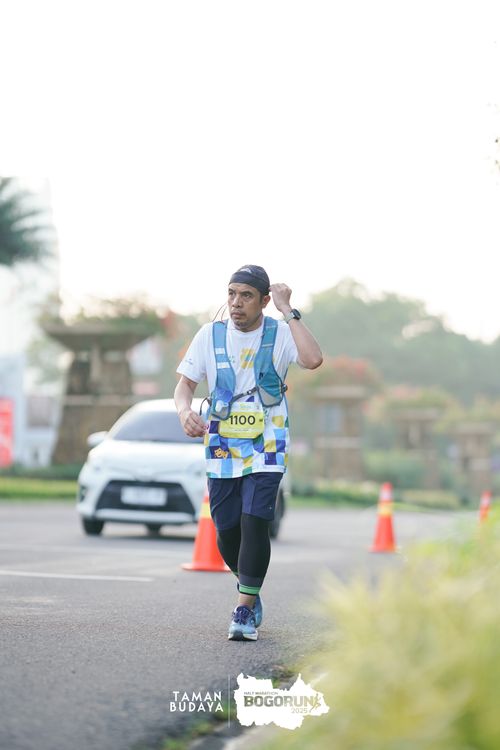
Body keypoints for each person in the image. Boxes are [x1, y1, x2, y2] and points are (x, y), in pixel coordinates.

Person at [174, 264, 322, 641]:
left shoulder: (281, 331)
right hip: (222, 441)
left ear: (264, 301)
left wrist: (288, 311)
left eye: (246, 296)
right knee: (226, 530)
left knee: (255, 520)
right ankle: (250, 587)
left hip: (268, 440)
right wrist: (184, 411)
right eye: (232, 294)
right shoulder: (209, 334)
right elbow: (184, 385)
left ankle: (243, 609)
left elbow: (312, 359)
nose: (236, 303)